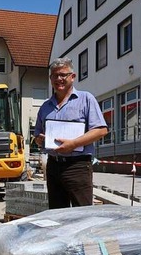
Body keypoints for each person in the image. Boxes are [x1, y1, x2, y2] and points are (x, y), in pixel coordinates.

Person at [34, 57, 108, 209]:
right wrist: (40, 140)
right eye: (55, 75)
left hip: (78, 165)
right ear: (50, 79)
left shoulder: (86, 99)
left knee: (82, 213)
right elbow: (37, 135)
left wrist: (73, 144)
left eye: (63, 75)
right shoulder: (45, 107)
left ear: (72, 77)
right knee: (57, 213)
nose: (59, 79)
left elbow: (101, 130)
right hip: (53, 165)